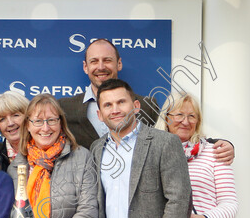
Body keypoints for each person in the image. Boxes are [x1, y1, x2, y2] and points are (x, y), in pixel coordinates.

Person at [59, 39, 235, 165]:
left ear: (119, 64)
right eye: (94, 61)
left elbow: (172, 134)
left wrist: (220, 144)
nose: (101, 67)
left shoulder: (146, 105)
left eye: (107, 60)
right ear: (85, 67)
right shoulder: (65, 108)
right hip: (86, 200)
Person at [90, 78, 191, 218]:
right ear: (100, 114)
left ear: (136, 106)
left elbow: (180, 202)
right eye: (108, 105)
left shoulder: (165, 143)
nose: (115, 110)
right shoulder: (96, 149)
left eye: (121, 102)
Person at [6, 94, 99, 218]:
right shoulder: (17, 167)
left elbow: (88, 215)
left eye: (51, 120)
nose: (45, 128)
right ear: (27, 125)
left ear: (61, 123)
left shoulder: (82, 158)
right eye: (38, 121)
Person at [0, 91, 30, 173]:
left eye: (15, 115)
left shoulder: (47, 153)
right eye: (2, 119)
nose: (10, 123)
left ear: (28, 117)